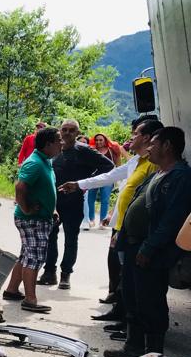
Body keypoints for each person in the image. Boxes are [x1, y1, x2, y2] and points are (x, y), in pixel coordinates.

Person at [60, 118, 163, 321]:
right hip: (122, 224)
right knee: (122, 271)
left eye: (136, 133)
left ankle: (130, 321)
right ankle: (121, 312)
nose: (131, 137)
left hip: (134, 229)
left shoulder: (152, 166)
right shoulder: (136, 161)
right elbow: (112, 178)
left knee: (131, 276)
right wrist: (79, 184)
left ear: (147, 138)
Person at [104, 127, 191, 357]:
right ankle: (132, 348)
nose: (149, 148)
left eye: (154, 143)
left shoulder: (181, 177)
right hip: (134, 245)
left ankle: (154, 356)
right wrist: (121, 235)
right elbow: (135, 202)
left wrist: (149, 247)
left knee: (150, 302)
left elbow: (172, 220)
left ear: (168, 146)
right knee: (132, 298)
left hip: (151, 250)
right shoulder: (157, 173)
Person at [38, 120, 114, 290]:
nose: (67, 133)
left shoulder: (84, 150)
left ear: (78, 132)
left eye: (72, 130)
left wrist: (85, 183)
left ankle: (66, 275)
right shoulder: (55, 149)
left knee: (71, 239)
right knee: (50, 237)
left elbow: (109, 166)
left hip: (74, 201)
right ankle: (49, 272)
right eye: (64, 130)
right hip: (53, 201)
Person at [1, 127, 63, 312]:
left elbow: (45, 188)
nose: (61, 143)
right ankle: (30, 300)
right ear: (48, 144)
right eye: (58, 140)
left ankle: (12, 290)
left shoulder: (45, 160)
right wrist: (26, 209)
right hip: (33, 220)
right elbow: (20, 187)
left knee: (26, 255)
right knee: (34, 258)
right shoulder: (35, 163)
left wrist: (52, 208)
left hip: (39, 218)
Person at [83, 133, 125, 229]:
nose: (98, 142)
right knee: (90, 199)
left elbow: (118, 164)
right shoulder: (92, 150)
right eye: (97, 140)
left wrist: (119, 176)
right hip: (94, 178)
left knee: (105, 200)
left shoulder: (111, 151)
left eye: (100, 140)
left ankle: (102, 221)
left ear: (105, 140)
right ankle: (91, 219)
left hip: (108, 178)